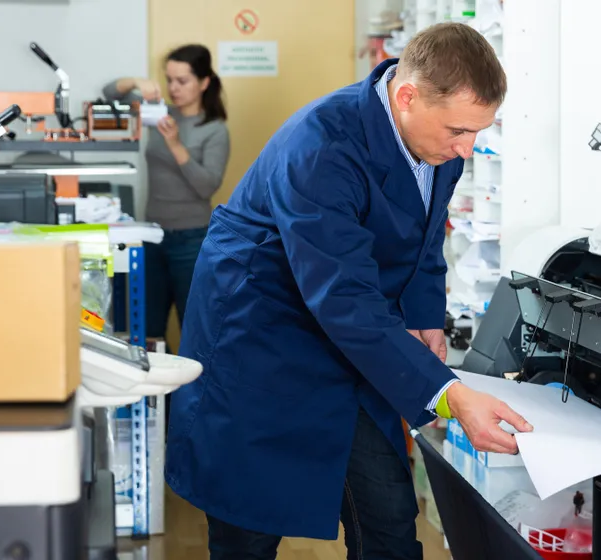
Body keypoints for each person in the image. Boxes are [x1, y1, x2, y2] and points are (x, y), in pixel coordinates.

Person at [165, 22, 531, 560]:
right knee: (249, 520)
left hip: (350, 329)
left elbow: (426, 237)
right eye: (459, 130)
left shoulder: (437, 142)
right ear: (407, 97)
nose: (467, 148)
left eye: (479, 132)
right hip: (263, 330)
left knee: (387, 513)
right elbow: (342, 297)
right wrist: (448, 394)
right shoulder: (321, 146)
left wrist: (424, 314)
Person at [103, 44, 231, 340]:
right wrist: (136, 82)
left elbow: (207, 186)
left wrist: (175, 145)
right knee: (147, 326)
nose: (174, 88)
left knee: (195, 325)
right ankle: (158, 387)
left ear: (204, 82)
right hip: (152, 235)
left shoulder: (214, 130)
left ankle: (190, 387)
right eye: (169, 79)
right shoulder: (157, 113)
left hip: (192, 240)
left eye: (182, 81)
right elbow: (110, 93)